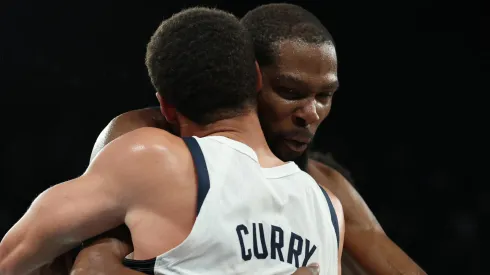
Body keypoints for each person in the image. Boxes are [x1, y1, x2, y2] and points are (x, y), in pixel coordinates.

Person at [71, 3, 426, 275]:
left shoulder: (322, 189)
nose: (311, 113)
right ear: (247, 77)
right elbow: (90, 265)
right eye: (289, 91)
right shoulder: (148, 140)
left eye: (325, 96)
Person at [0, 7, 344, 275]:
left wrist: (94, 258)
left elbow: (9, 258)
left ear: (164, 105)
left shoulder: (153, 155)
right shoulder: (330, 211)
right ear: (256, 79)